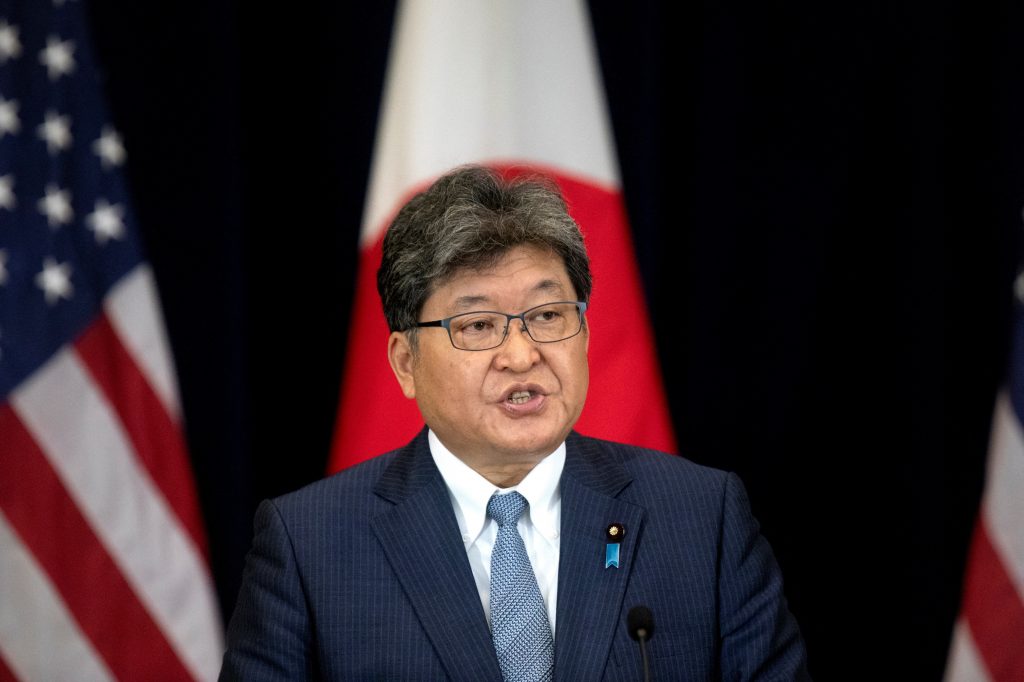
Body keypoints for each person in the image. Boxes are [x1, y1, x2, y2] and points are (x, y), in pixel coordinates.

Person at [220, 165, 810, 680]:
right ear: (406, 363)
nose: (522, 354)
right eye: (478, 326)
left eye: (548, 314)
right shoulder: (309, 546)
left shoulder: (702, 518)